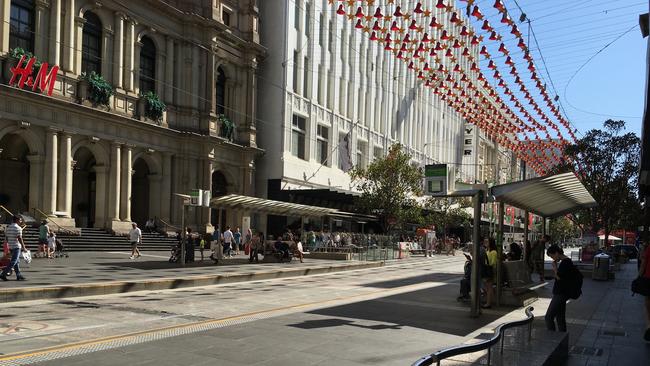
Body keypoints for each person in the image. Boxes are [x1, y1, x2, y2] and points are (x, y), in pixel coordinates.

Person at [545, 244, 578, 332]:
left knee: (549, 317)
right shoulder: (567, 261)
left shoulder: (565, 262)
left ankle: (552, 337)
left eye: (552, 256)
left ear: (556, 253)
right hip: (563, 293)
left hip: (561, 293)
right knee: (560, 317)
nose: (553, 259)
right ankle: (561, 338)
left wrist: (555, 268)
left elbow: (559, 277)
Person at [1, 215, 28, 281]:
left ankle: (18, 275)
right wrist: (24, 248)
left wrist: (7, 245)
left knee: (17, 261)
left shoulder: (8, 227)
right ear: (17, 220)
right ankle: (3, 274)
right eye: (20, 220)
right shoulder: (18, 228)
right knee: (14, 261)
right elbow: (20, 238)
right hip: (16, 247)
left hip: (11, 246)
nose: (21, 221)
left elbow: (7, 238)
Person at [482, 238, 498, 309]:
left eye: (487, 241)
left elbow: (493, 263)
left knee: (489, 288)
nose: (485, 242)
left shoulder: (493, 252)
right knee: (487, 287)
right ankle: (489, 301)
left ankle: (488, 303)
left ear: (491, 242)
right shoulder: (487, 250)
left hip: (489, 271)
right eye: (485, 241)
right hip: (486, 270)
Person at [639, 241, 650, 342]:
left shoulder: (649, 248)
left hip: (648, 279)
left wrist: (639, 277)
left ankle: (648, 326)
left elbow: (643, 264)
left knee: (647, 303)